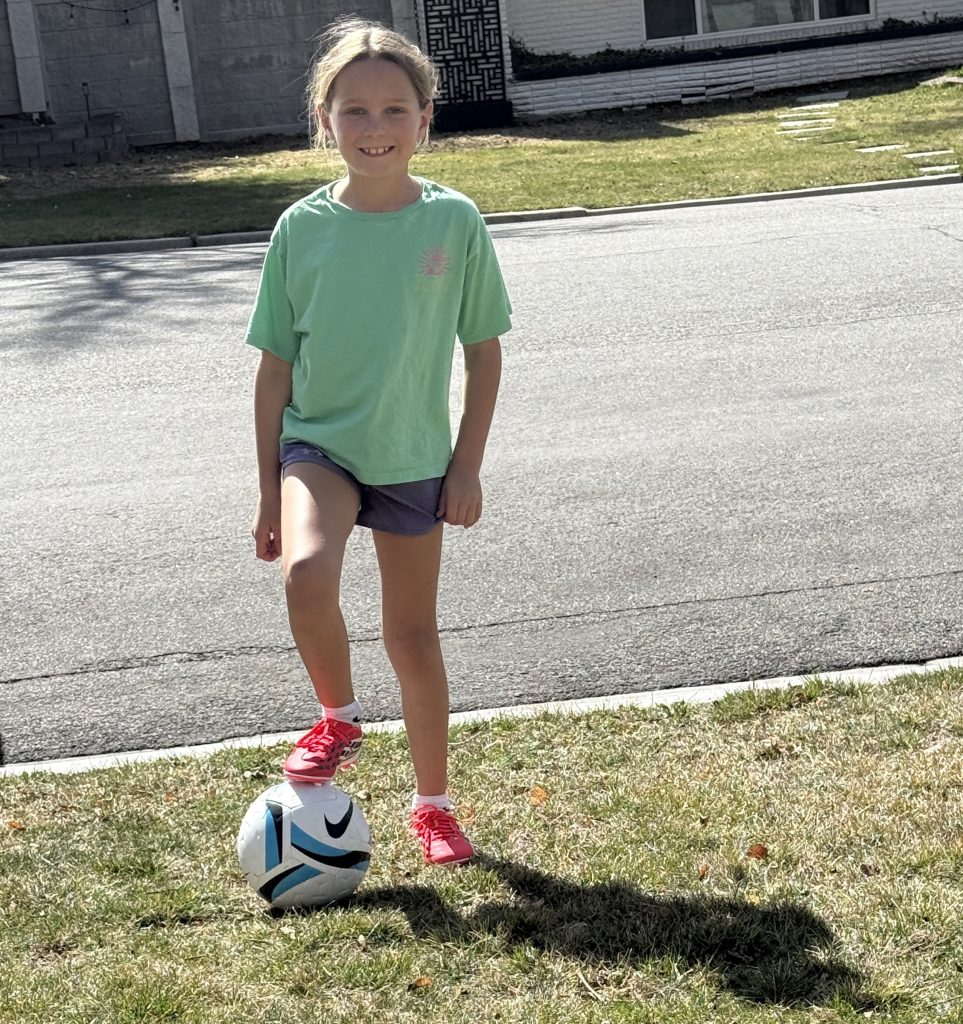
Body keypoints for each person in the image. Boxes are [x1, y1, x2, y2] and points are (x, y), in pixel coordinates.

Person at [245, 18, 512, 867]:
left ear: (424, 119)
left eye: (394, 108)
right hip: (318, 446)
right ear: (323, 119)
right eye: (353, 109)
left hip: (412, 455)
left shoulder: (453, 221)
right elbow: (273, 371)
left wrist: (466, 465)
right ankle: (338, 716)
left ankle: (433, 808)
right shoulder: (300, 228)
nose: (374, 127)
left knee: (412, 637)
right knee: (306, 572)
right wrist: (267, 492)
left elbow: (483, 353)